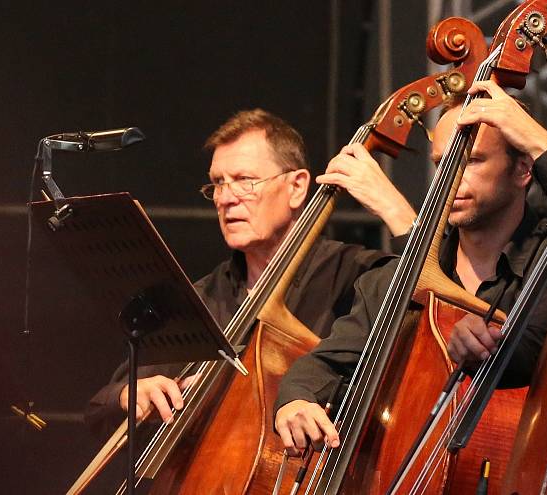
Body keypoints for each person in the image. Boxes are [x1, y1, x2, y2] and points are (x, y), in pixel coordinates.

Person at [273, 90, 547, 456]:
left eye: (471, 161)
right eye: (442, 164)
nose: (449, 179)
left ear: (523, 169)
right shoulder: (396, 278)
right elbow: (323, 364)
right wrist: (295, 402)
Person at [85, 108, 417, 437]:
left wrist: (396, 210)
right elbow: (98, 411)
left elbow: (432, 297)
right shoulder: (202, 298)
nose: (225, 198)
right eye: (217, 183)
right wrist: (129, 395)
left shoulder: (356, 275)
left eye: (244, 180)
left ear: (297, 187)